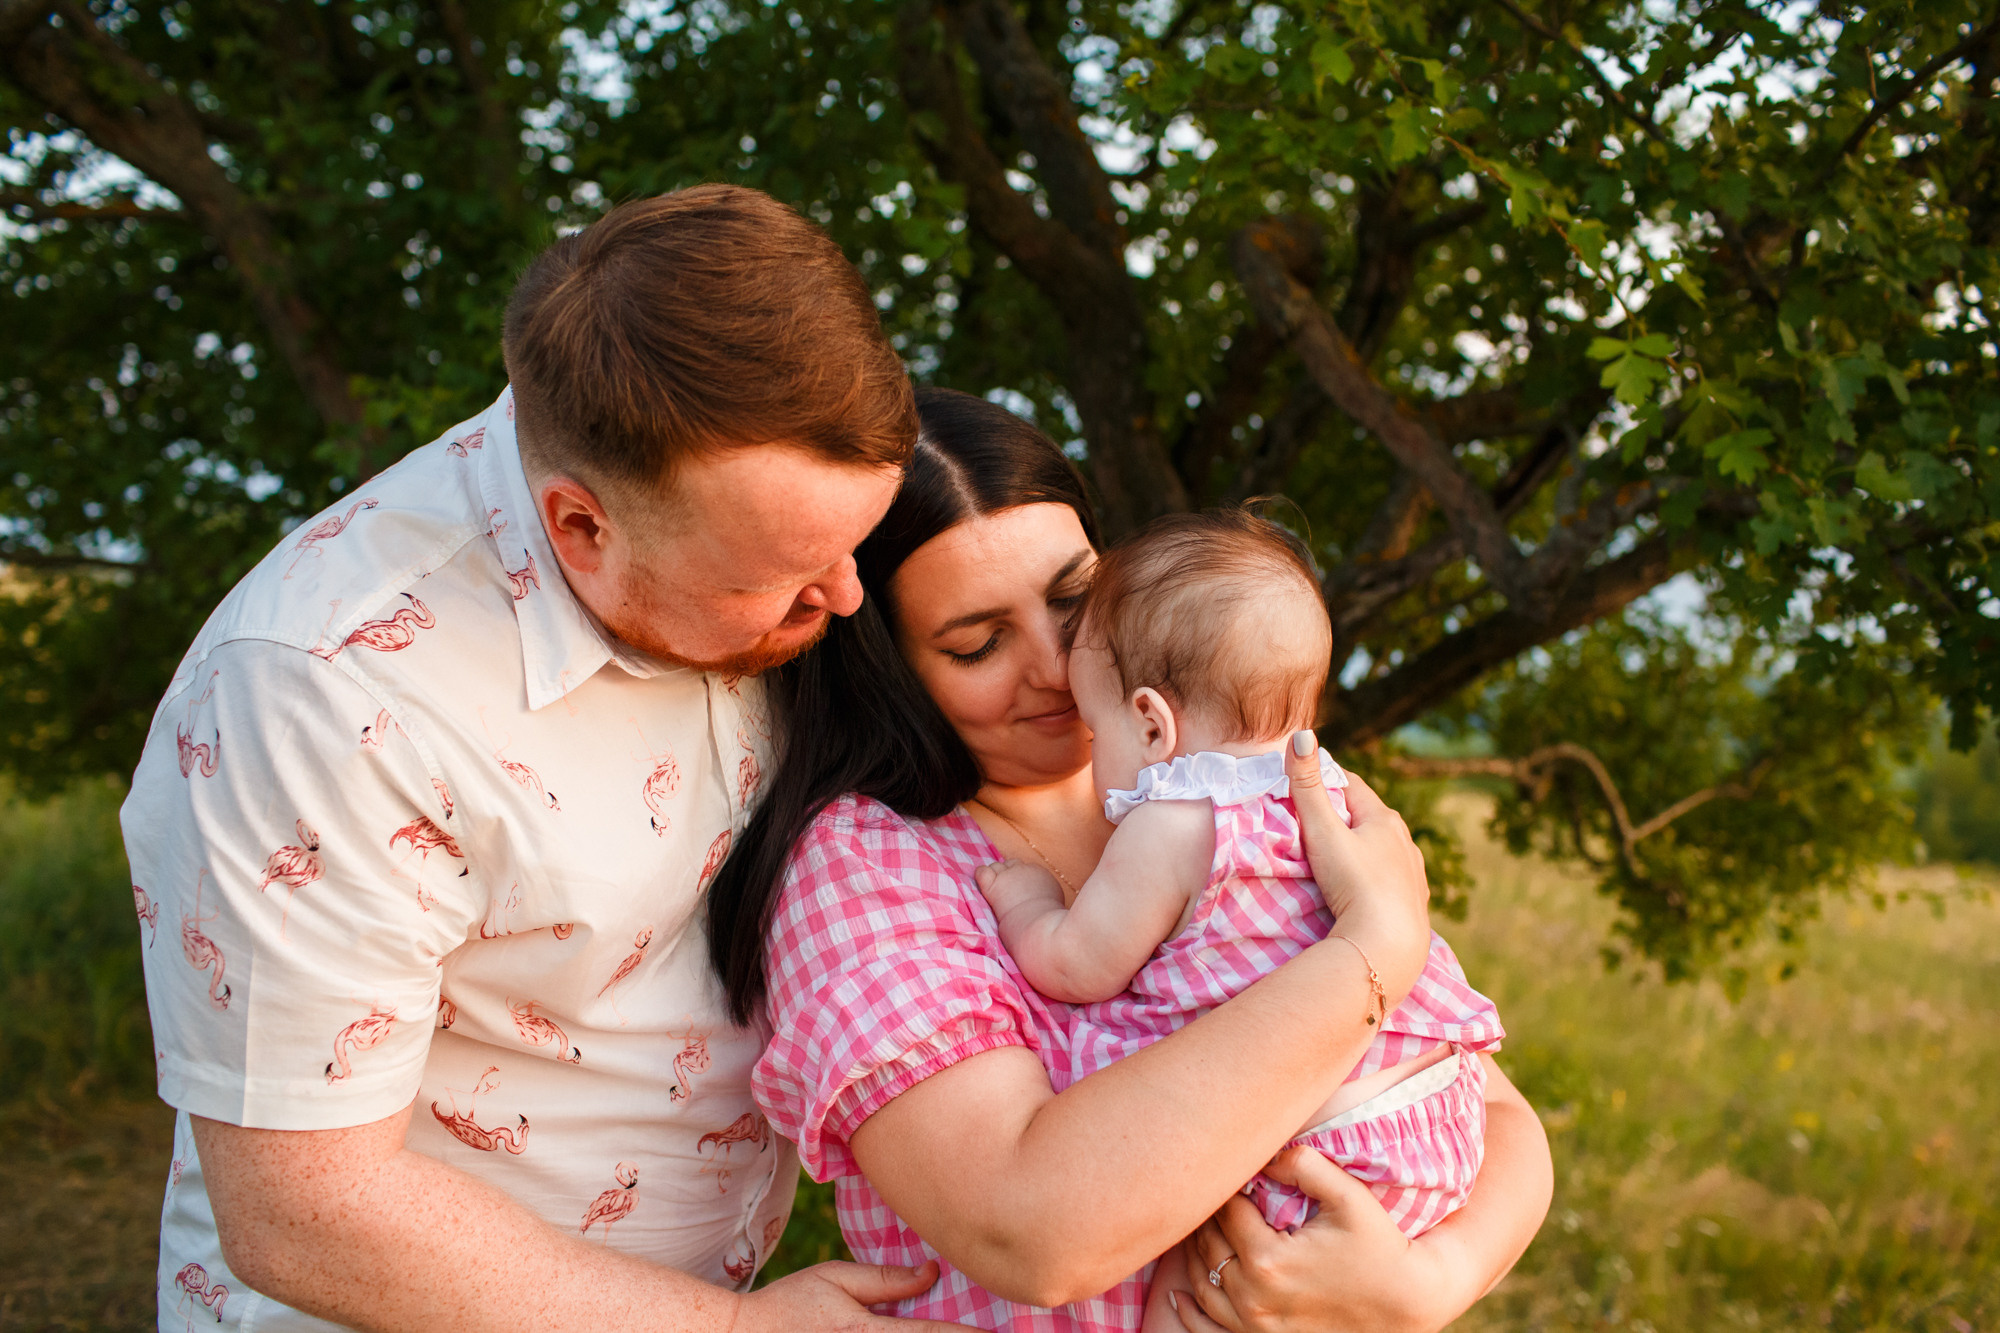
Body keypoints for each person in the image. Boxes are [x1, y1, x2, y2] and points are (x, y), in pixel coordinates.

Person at [123, 186, 972, 1332]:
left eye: (852, 542)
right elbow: (304, 1213)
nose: (844, 596)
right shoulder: (317, 695)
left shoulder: (731, 529)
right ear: (579, 525)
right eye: (773, 574)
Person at [712, 388, 1554, 1331]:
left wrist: (1427, 1283)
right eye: (980, 642)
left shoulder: (1253, 790)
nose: (1058, 665)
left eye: (1077, 601)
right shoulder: (868, 870)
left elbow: (1486, 1102)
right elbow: (1033, 1231)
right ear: (888, 670)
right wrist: (1373, 954)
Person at [973, 509, 1506, 1331]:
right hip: (1433, 1113)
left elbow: (1076, 965)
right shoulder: (1333, 799)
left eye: (1094, 719)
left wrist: (1023, 901)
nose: (1087, 740)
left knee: (1187, 1298)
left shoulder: (1175, 820)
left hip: (1318, 1144)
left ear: (1152, 723)